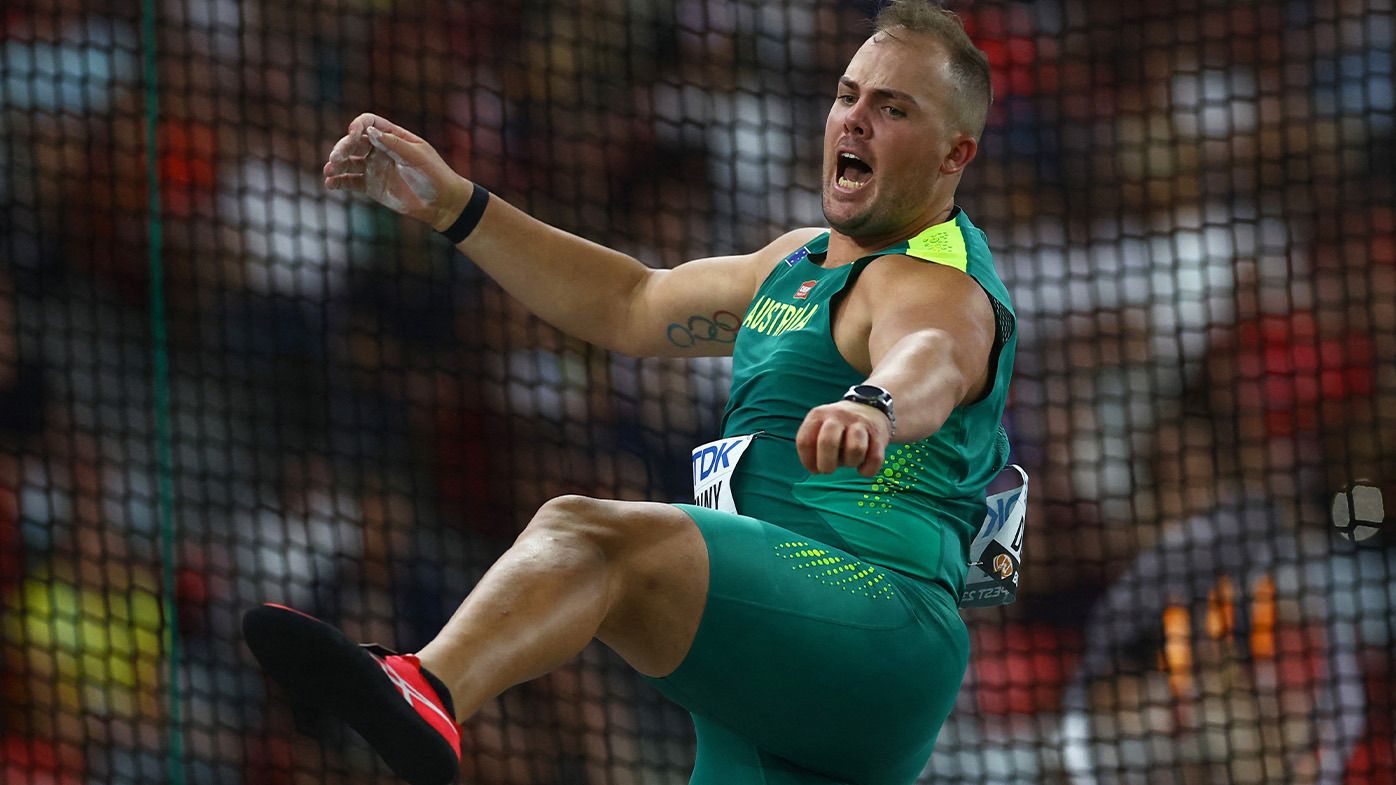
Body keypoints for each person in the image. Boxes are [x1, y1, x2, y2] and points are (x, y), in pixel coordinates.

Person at [242, 3, 1017, 784]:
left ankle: (427, 687)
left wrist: (873, 404)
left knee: (587, 537)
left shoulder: (938, 279)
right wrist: (456, 207)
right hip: (773, 668)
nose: (855, 121)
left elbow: (931, 356)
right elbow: (630, 302)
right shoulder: (797, 263)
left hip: (874, 626)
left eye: (892, 109)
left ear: (956, 154)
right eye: (848, 95)